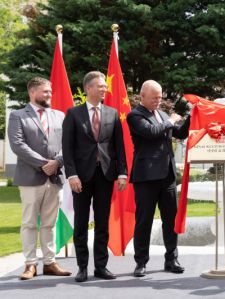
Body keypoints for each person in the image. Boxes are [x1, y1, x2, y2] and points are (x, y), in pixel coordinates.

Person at [62, 71, 127, 282]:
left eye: (105, 86)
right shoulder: (73, 114)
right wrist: (71, 174)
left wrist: (122, 173)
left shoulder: (112, 113)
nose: (104, 89)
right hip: (81, 177)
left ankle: (101, 266)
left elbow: (119, 146)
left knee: (102, 223)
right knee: (81, 223)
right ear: (89, 88)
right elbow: (68, 148)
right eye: (100, 86)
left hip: (105, 175)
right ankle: (82, 267)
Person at [8, 77, 71, 280]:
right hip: (30, 179)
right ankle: (30, 264)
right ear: (32, 92)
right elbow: (18, 145)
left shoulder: (59, 116)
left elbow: (67, 144)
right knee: (28, 223)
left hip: (54, 178)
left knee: (49, 223)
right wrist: (44, 164)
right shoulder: (18, 116)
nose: (49, 95)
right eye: (45, 91)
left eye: (50, 91)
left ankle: (50, 262)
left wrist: (57, 162)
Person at [127, 80, 190, 277]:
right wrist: (170, 121)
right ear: (142, 96)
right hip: (146, 177)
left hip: (167, 176)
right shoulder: (134, 115)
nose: (158, 100)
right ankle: (141, 262)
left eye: (160, 97)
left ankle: (171, 259)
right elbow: (151, 132)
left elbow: (180, 133)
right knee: (144, 221)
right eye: (154, 97)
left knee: (170, 220)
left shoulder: (162, 115)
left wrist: (190, 117)